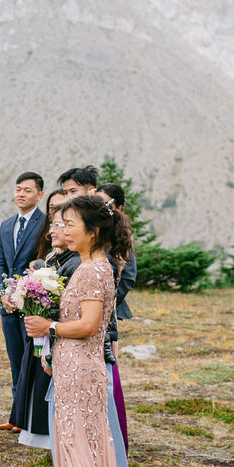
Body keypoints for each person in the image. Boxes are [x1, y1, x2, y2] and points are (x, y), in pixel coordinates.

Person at [23, 195, 133, 467]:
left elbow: (87, 326)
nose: (63, 230)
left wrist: (48, 325)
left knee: (81, 448)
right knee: (74, 447)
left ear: (94, 230)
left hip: (82, 371)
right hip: (74, 366)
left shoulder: (91, 271)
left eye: (71, 224)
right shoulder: (94, 266)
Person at [10, 190, 70, 455]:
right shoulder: (51, 258)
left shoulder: (76, 263)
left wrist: (49, 325)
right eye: (54, 222)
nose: (52, 230)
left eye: (61, 224)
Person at [0, 172, 45, 430]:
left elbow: (43, 263)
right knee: (15, 360)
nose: (20, 194)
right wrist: (3, 293)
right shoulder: (6, 225)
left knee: (32, 362)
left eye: (27, 190)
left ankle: (32, 418)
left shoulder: (44, 224)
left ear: (39, 195)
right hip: (8, 307)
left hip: (33, 305)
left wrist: (23, 293)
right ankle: (17, 417)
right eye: (17, 189)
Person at [99, 182, 136, 451]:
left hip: (107, 316)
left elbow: (128, 277)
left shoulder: (121, 238)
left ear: (118, 207)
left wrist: (108, 304)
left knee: (110, 377)